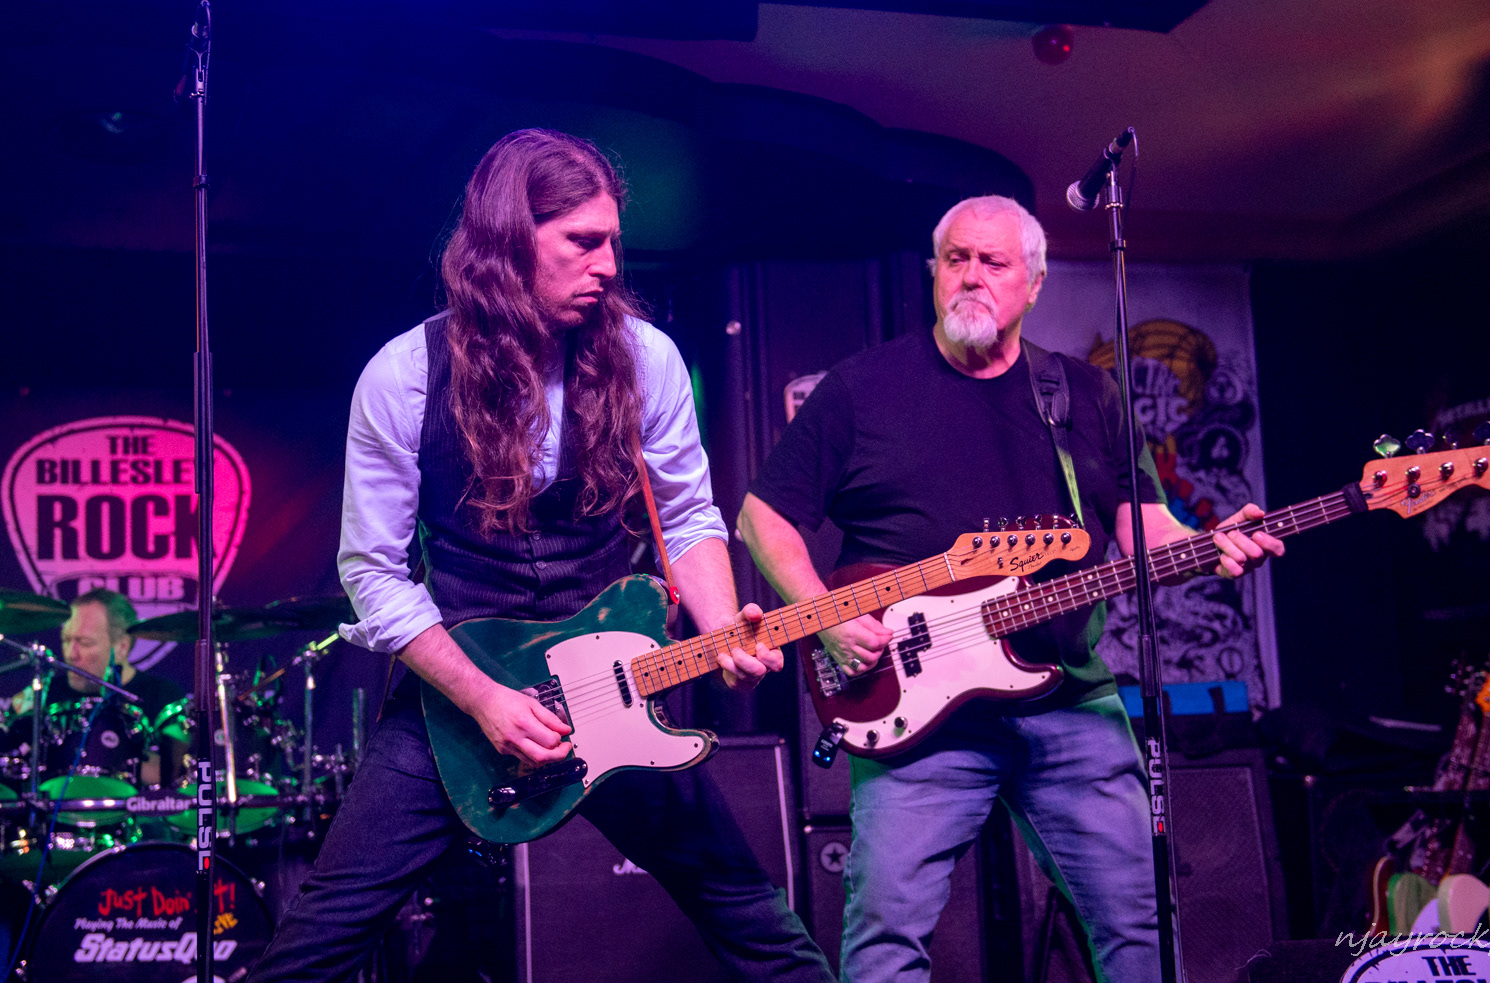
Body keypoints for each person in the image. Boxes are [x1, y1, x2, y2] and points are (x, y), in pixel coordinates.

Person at [247, 129, 835, 982]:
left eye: (614, 243)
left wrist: (722, 626)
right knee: (318, 941)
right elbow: (372, 571)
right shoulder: (404, 375)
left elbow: (686, 512)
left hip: (615, 686)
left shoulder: (646, 358)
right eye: (583, 242)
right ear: (510, 240)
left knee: (755, 920)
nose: (608, 266)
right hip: (460, 694)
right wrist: (485, 698)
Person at [738, 195, 1284, 982]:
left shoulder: (1085, 395)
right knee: (886, 940)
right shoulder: (862, 388)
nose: (971, 276)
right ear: (933, 272)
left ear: (1033, 282)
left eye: (992, 262)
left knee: (1141, 926)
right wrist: (824, 614)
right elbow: (762, 518)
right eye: (955, 259)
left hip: (1070, 699)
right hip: (914, 710)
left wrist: (1212, 545)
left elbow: (1143, 532)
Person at [11, 587, 185, 787]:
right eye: (66, 640)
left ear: (121, 647)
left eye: (84, 642)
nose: (71, 654)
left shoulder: (162, 696)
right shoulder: (44, 693)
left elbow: (177, 776)